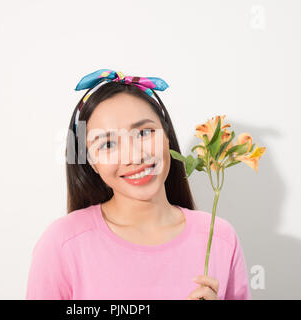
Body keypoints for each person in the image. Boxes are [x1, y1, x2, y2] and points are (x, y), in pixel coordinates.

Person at [26, 69, 251, 300]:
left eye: (144, 132)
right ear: (91, 161)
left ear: (167, 136)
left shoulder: (219, 238)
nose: (134, 156)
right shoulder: (62, 243)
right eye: (107, 144)